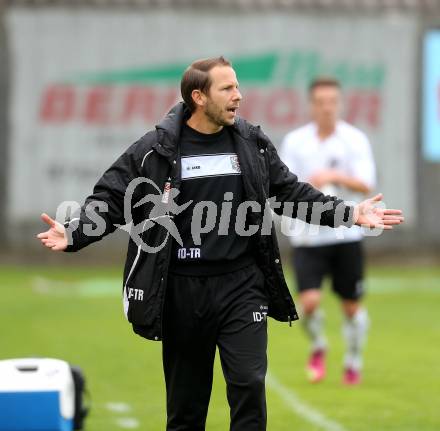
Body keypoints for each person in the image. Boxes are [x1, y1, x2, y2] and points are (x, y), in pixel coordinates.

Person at [37, 58, 403, 430]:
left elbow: (290, 192)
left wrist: (349, 214)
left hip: (242, 286)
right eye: (227, 89)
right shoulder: (156, 148)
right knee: (186, 410)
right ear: (198, 96)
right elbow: (114, 196)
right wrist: (75, 232)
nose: (238, 96)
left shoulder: (252, 142)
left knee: (248, 385)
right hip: (182, 291)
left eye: (238, 87)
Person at [279, 77, 377, 385]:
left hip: (346, 235)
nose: (327, 108)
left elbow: (366, 184)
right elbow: (282, 187)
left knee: (351, 307)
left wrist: (335, 175)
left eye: (332, 102)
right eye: (320, 102)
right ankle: (319, 345)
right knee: (307, 304)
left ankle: (353, 358)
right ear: (312, 105)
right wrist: (311, 184)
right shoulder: (295, 142)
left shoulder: (355, 140)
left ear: (340, 103)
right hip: (308, 235)